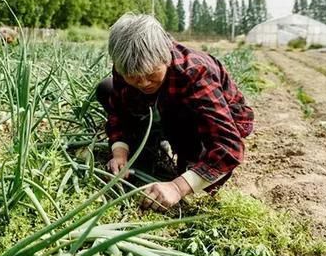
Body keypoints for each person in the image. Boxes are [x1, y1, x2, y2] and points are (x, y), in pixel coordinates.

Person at [97, 14, 254, 211]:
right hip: (163, 108)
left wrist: (177, 187)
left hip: (202, 120)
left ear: (165, 56)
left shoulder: (195, 72)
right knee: (106, 88)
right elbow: (118, 111)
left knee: (192, 167)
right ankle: (153, 142)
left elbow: (229, 147)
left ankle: (181, 149)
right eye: (133, 77)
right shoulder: (126, 64)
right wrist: (119, 152)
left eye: (151, 73)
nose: (143, 82)